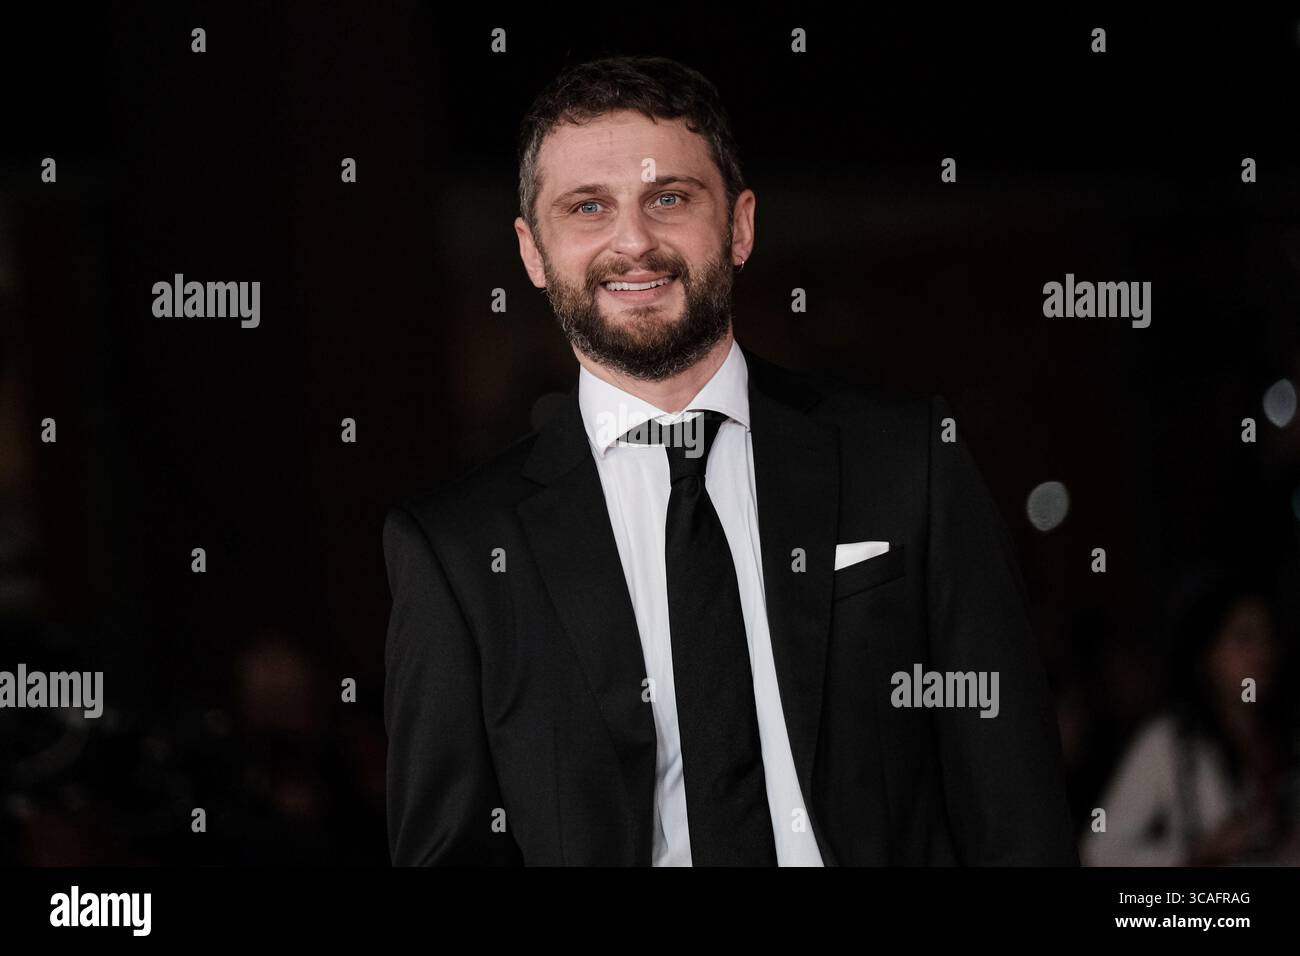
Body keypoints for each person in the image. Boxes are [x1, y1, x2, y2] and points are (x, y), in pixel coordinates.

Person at [382, 54, 1076, 865]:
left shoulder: (909, 460)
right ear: (533, 253)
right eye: (588, 207)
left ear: (740, 226)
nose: (633, 241)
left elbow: (1014, 804)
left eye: (669, 199)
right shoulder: (456, 549)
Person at [1082, 574, 1297, 866]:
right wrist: (1197, 853)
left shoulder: (1285, 739)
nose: (1262, 653)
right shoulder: (1169, 740)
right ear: (1207, 653)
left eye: (1268, 636)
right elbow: (1100, 850)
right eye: (1243, 638)